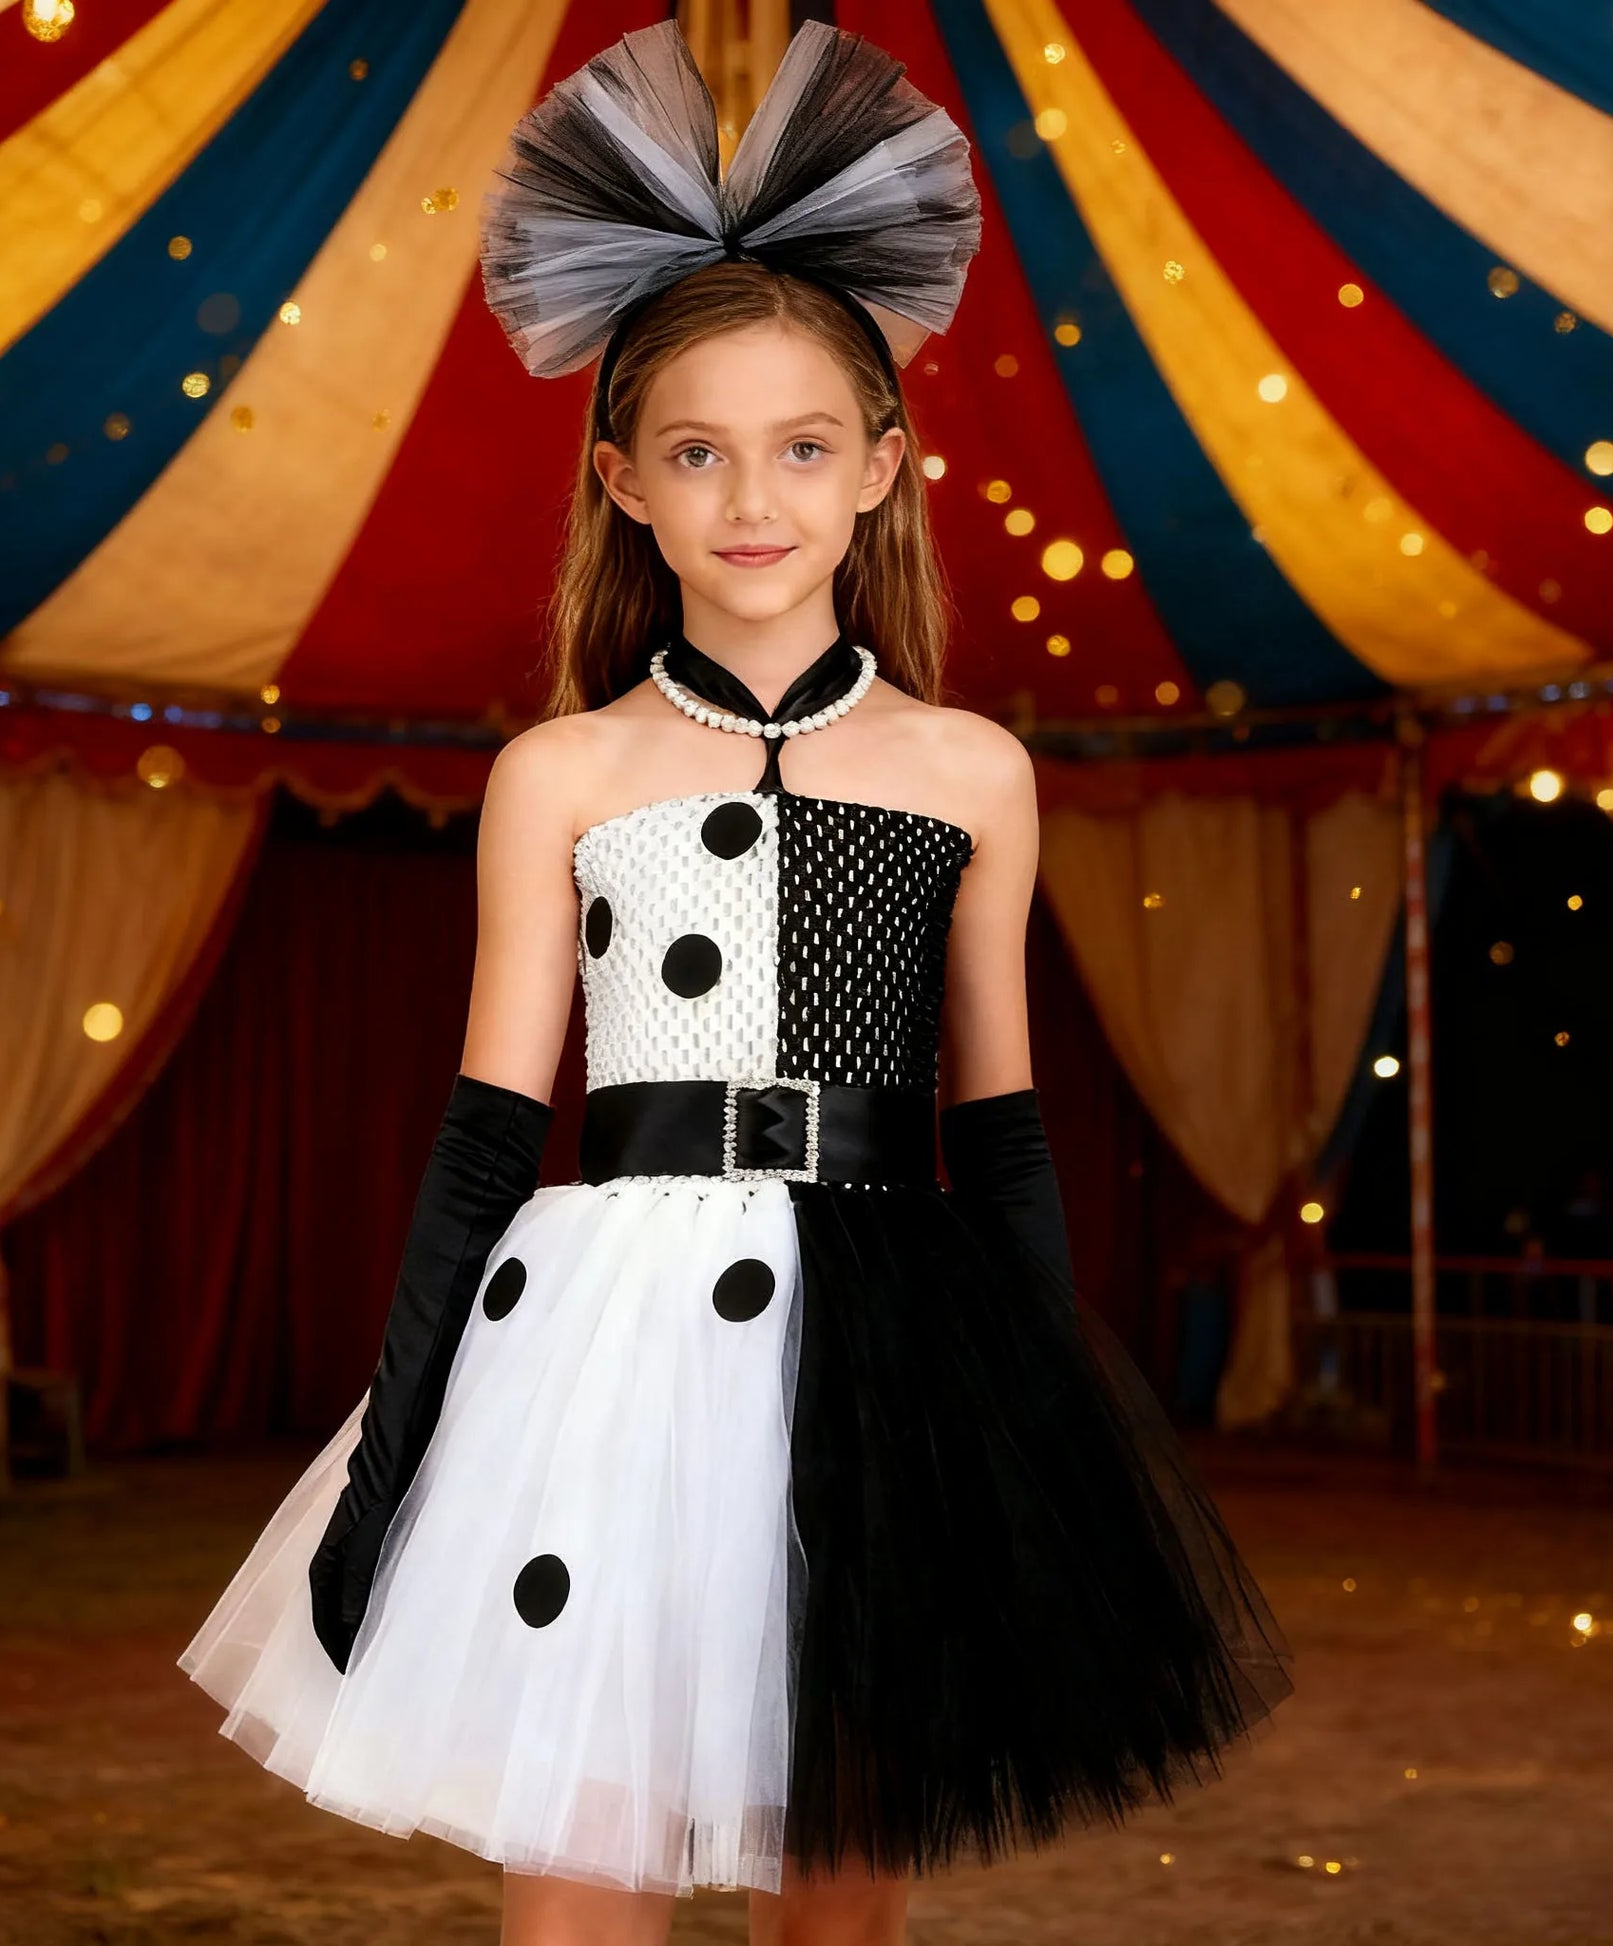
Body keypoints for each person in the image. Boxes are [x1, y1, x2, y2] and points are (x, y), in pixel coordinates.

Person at [178, 21, 1292, 1944]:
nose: (750, 497)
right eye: (696, 451)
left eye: (800, 447)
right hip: (599, 1357)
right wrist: (392, 1452)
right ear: (623, 480)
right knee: (581, 1877)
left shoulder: (968, 774)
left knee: (837, 1890)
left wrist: (1041, 1461)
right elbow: (482, 1139)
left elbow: (1002, 1134)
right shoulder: (562, 774)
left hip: (889, 1358)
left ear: (881, 469)